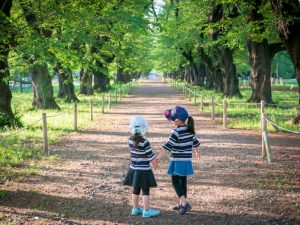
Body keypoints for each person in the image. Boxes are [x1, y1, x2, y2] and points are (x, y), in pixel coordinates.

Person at [157, 106, 200, 215]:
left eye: (172, 120)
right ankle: (181, 204)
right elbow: (195, 143)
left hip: (177, 160)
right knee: (183, 182)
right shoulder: (190, 130)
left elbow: (167, 146)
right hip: (186, 161)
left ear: (177, 121)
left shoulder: (176, 131)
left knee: (175, 182)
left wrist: (157, 157)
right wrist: (196, 152)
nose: (172, 122)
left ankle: (185, 204)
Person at [123, 115, 160, 218]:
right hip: (144, 171)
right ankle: (146, 210)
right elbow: (151, 157)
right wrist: (156, 163)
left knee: (135, 190)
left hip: (134, 169)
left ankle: (135, 209)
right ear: (144, 128)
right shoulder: (145, 142)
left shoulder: (130, 140)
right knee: (145, 190)